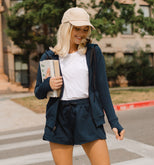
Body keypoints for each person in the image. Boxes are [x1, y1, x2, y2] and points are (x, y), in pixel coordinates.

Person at [35, 7, 125, 165]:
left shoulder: (92, 53)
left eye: (85, 30)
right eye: (77, 29)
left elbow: (103, 90)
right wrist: (48, 84)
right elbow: (38, 92)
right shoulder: (49, 57)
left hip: (88, 114)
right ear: (66, 28)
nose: (81, 34)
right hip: (60, 117)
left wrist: (114, 122)